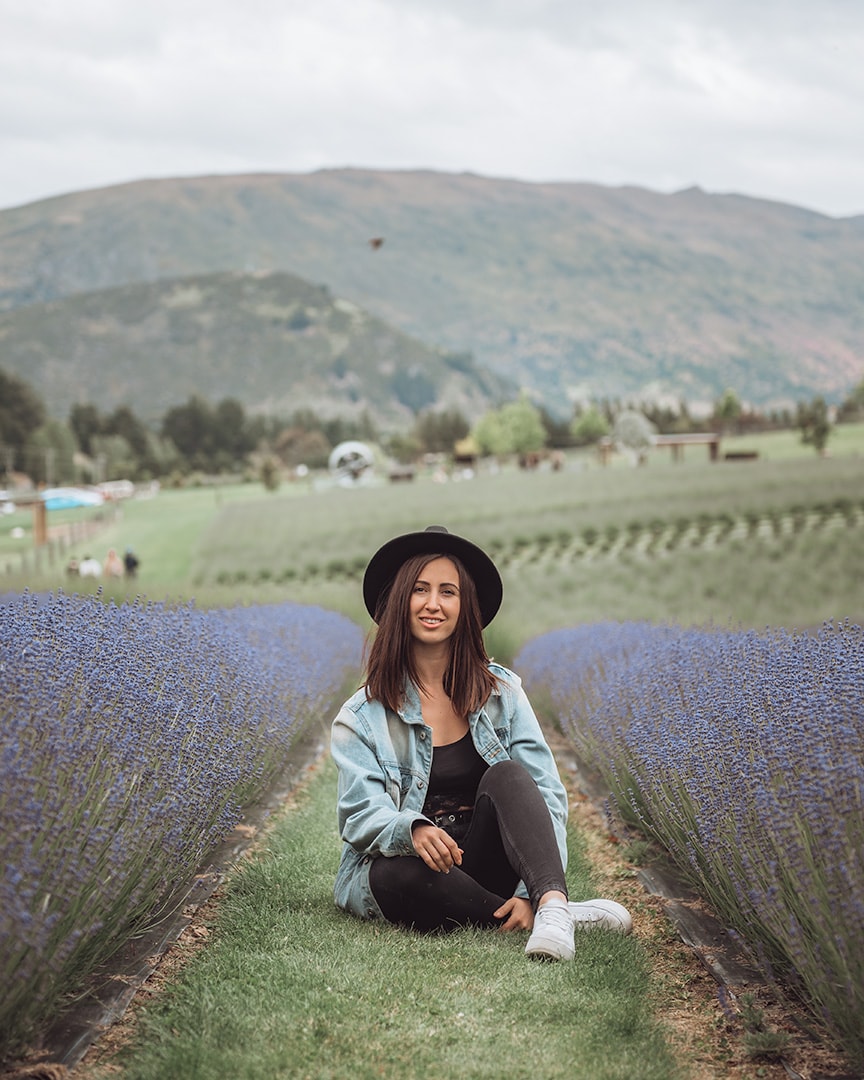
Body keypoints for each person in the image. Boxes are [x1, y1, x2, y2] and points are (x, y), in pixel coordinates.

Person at [331, 525, 632, 961]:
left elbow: (546, 794)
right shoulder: (362, 715)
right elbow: (359, 814)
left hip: (491, 861)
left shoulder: (503, 693)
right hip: (420, 870)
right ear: (400, 603)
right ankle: (557, 914)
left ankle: (547, 906)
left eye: (448, 592)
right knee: (396, 876)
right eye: (420, 590)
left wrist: (532, 889)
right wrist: (410, 830)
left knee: (509, 774)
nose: (433, 604)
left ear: (464, 606)